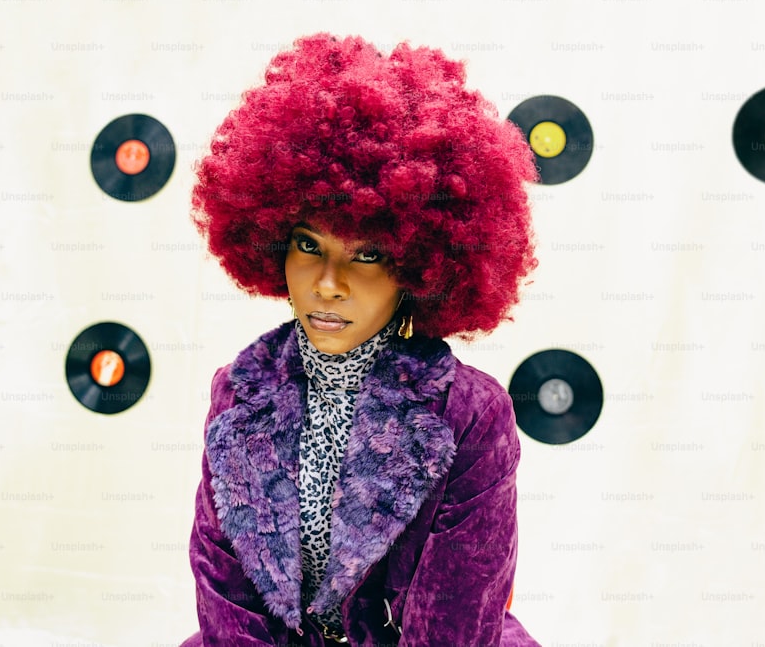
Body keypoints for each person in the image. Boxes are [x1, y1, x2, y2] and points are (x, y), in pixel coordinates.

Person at [181, 32, 542, 646]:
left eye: (367, 255)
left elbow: (453, 626)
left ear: (419, 264)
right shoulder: (239, 392)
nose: (328, 284)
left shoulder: (469, 415)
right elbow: (228, 604)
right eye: (308, 245)